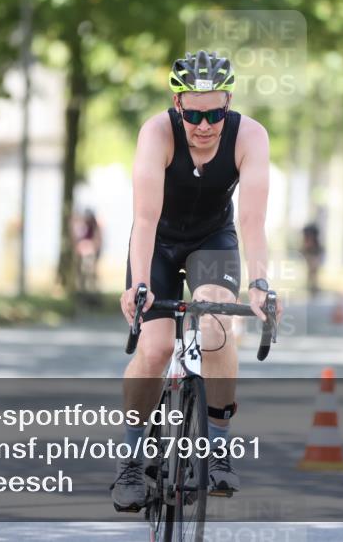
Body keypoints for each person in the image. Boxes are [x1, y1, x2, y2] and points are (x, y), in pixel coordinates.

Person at [112, 50, 278, 511]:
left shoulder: (251, 136)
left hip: (212, 240)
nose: (204, 126)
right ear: (177, 104)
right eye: (194, 115)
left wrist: (260, 284)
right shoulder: (156, 133)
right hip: (159, 243)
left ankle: (218, 448)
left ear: (229, 104)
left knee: (216, 326)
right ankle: (131, 461)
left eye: (215, 114)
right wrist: (139, 284)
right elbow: (145, 219)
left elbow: (252, 221)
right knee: (156, 348)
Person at [300, 221, 323, 298]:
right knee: (312, 270)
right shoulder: (308, 239)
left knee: (313, 270)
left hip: (314, 253)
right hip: (311, 253)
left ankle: (313, 287)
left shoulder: (314, 243)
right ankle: (311, 287)